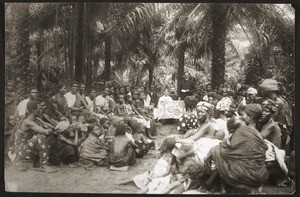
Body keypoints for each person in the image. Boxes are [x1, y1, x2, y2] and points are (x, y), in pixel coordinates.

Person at [206, 106, 268, 193]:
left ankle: (216, 185)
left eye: (243, 115)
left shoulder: (242, 131)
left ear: (250, 117)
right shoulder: (258, 133)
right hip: (260, 174)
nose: (240, 117)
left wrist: (218, 149)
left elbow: (227, 152)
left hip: (243, 175)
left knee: (215, 150)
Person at [13, 101, 56, 173]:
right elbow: (45, 132)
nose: (41, 110)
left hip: (29, 148)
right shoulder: (27, 122)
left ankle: (41, 161)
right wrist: (50, 131)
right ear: (33, 111)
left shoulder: (37, 119)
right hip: (21, 151)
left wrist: (42, 122)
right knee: (41, 137)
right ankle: (44, 165)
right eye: (39, 109)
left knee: (51, 136)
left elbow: (54, 127)